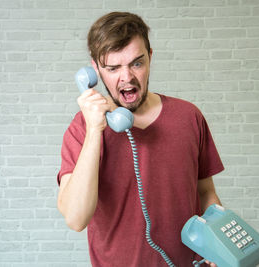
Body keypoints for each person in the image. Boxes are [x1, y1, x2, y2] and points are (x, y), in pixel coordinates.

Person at [57, 11, 224, 267]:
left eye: (137, 63)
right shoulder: (82, 129)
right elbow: (76, 219)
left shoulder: (189, 117)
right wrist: (94, 131)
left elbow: (205, 192)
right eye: (113, 68)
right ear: (94, 70)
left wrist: (217, 245)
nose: (127, 78)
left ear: (150, 57)